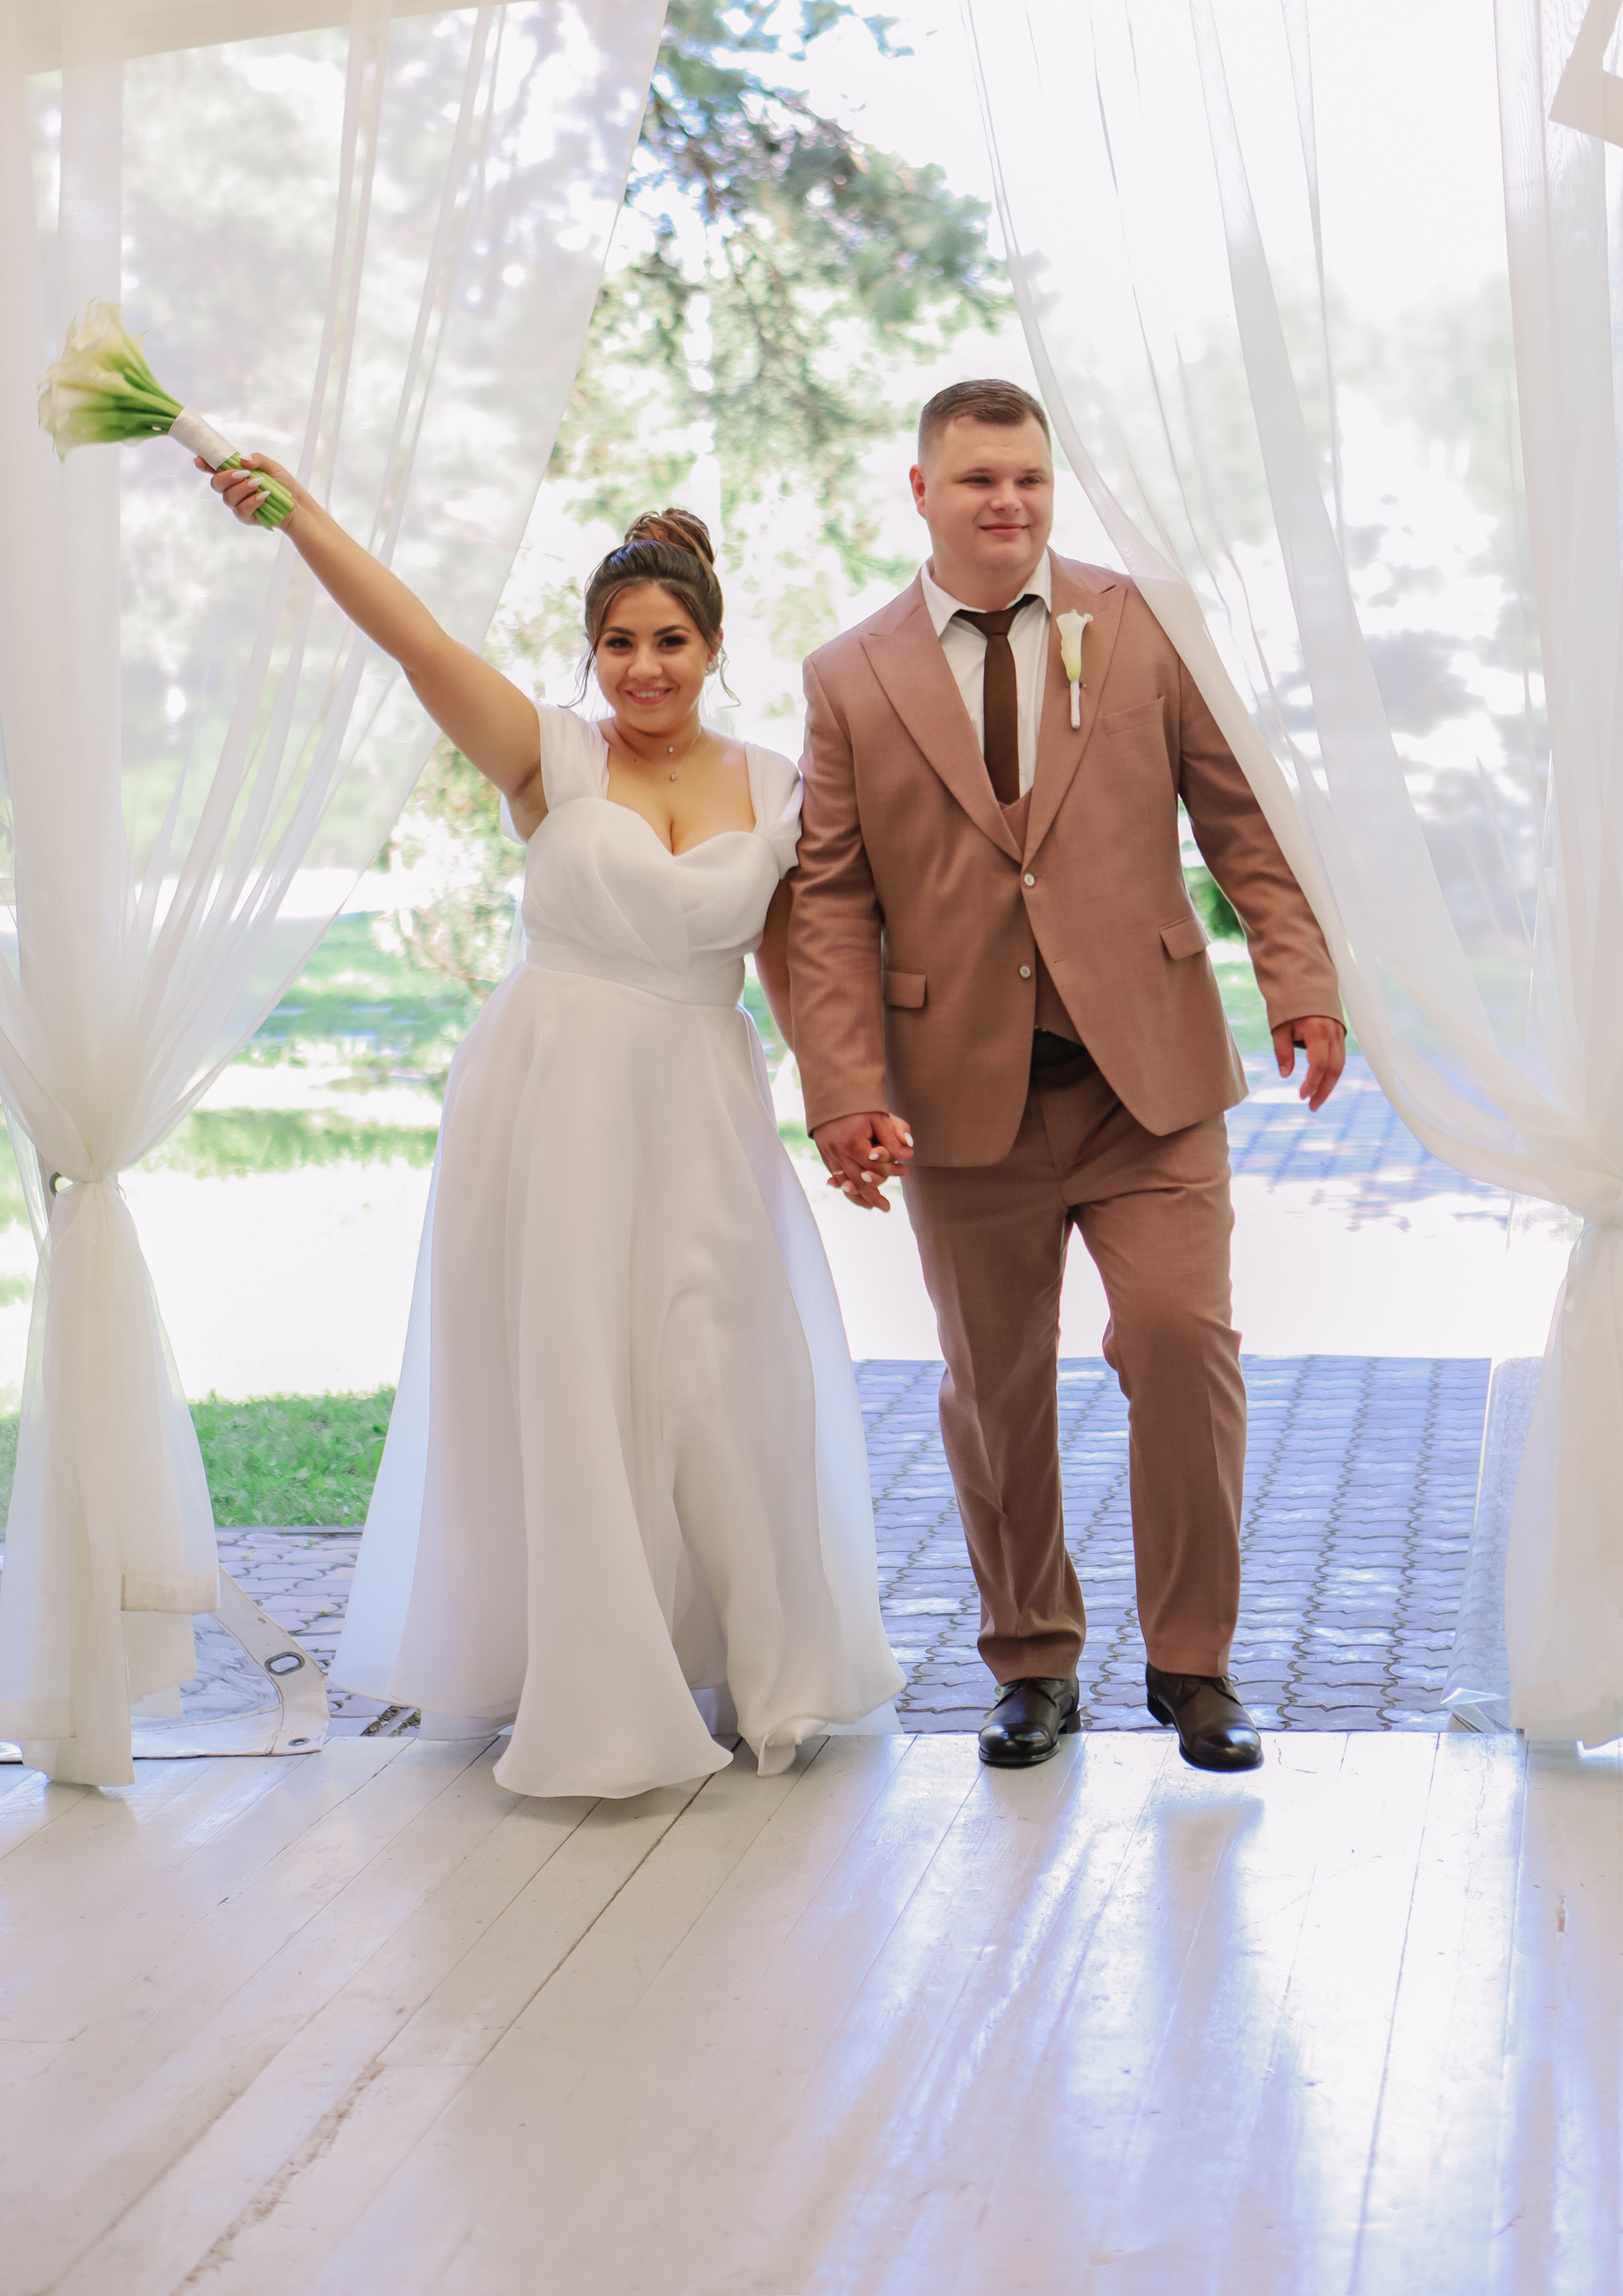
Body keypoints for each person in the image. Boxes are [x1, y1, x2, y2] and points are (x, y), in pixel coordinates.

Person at [207, 456, 903, 1798]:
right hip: (554, 1100)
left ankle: (769, 1668)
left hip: (703, 1104)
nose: (644, 668)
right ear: (592, 654)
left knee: (716, 1375)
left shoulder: (777, 784)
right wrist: (297, 513)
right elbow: (416, 642)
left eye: (670, 641)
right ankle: (597, 1688)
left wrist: (843, 1112)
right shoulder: (550, 753)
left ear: (711, 647)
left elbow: (793, 966)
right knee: (576, 1377)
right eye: (619, 643)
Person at [787, 379, 1345, 1775]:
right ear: (923, 491)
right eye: (980, 478)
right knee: (995, 1388)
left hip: (1146, 1079)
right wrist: (843, 1084)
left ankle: (1193, 1666)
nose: (1010, 501)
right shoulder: (849, 677)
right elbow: (832, 900)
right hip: (960, 1094)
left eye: (1030, 477)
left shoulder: (1143, 624)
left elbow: (1241, 821)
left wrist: (1300, 979)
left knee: (1181, 1343)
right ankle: (1032, 1663)